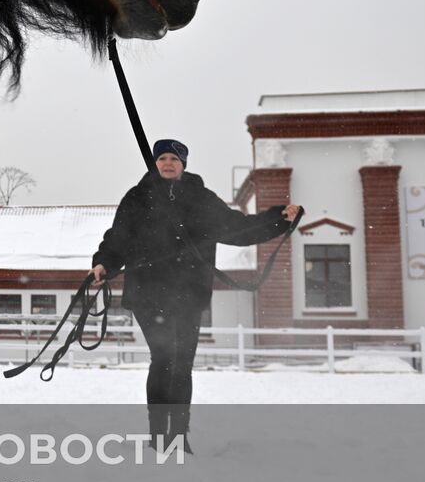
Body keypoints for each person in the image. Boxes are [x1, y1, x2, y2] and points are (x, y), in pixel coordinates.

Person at [90, 138, 300, 452]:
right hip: (148, 292)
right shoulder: (137, 198)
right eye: (162, 158)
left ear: (183, 164)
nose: (168, 163)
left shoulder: (200, 199)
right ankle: (158, 434)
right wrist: (103, 263)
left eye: (174, 158)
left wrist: (277, 218)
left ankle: (178, 435)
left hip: (188, 292)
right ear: (154, 163)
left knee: (182, 362)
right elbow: (117, 238)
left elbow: (238, 228)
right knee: (163, 358)